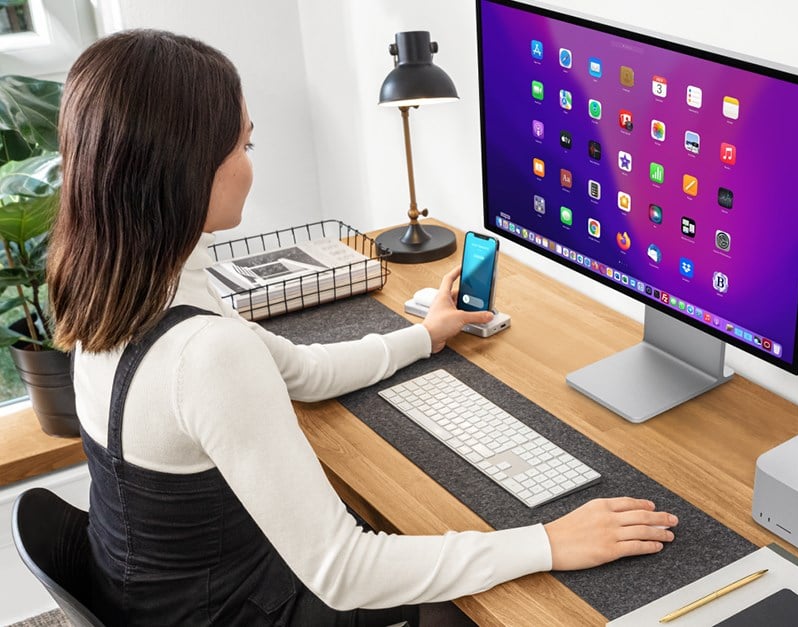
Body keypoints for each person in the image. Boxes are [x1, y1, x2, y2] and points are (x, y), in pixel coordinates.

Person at [47, 29, 676, 626]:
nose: (250, 164)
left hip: (158, 598)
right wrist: (549, 541)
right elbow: (342, 569)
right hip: (232, 612)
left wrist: (427, 334)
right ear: (185, 169)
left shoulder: (118, 290)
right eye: (244, 145)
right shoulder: (205, 355)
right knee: (476, 604)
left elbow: (301, 371)